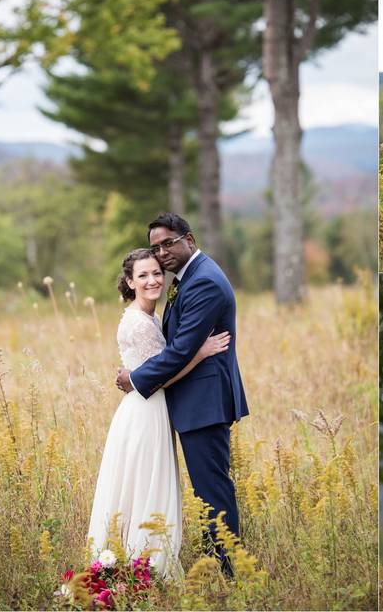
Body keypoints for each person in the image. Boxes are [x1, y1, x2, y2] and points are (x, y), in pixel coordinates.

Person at [115, 213, 249, 576]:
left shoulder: (203, 281)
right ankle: (217, 561)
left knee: (212, 489)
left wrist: (136, 378)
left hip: (205, 403)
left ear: (188, 238)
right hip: (191, 400)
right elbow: (179, 346)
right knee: (206, 489)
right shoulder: (187, 277)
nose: (161, 253)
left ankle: (228, 570)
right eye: (156, 247)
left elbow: (180, 351)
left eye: (167, 243)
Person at [88, 248, 230, 579]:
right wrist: (199, 353)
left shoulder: (152, 316)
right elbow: (162, 375)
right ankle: (143, 563)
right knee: (147, 484)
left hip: (147, 407)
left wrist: (135, 376)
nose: (152, 280)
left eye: (156, 273)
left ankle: (134, 559)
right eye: (143, 275)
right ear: (129, 281)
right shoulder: (140, 322)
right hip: (146, 411)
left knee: (143, 483)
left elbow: (153, 369)